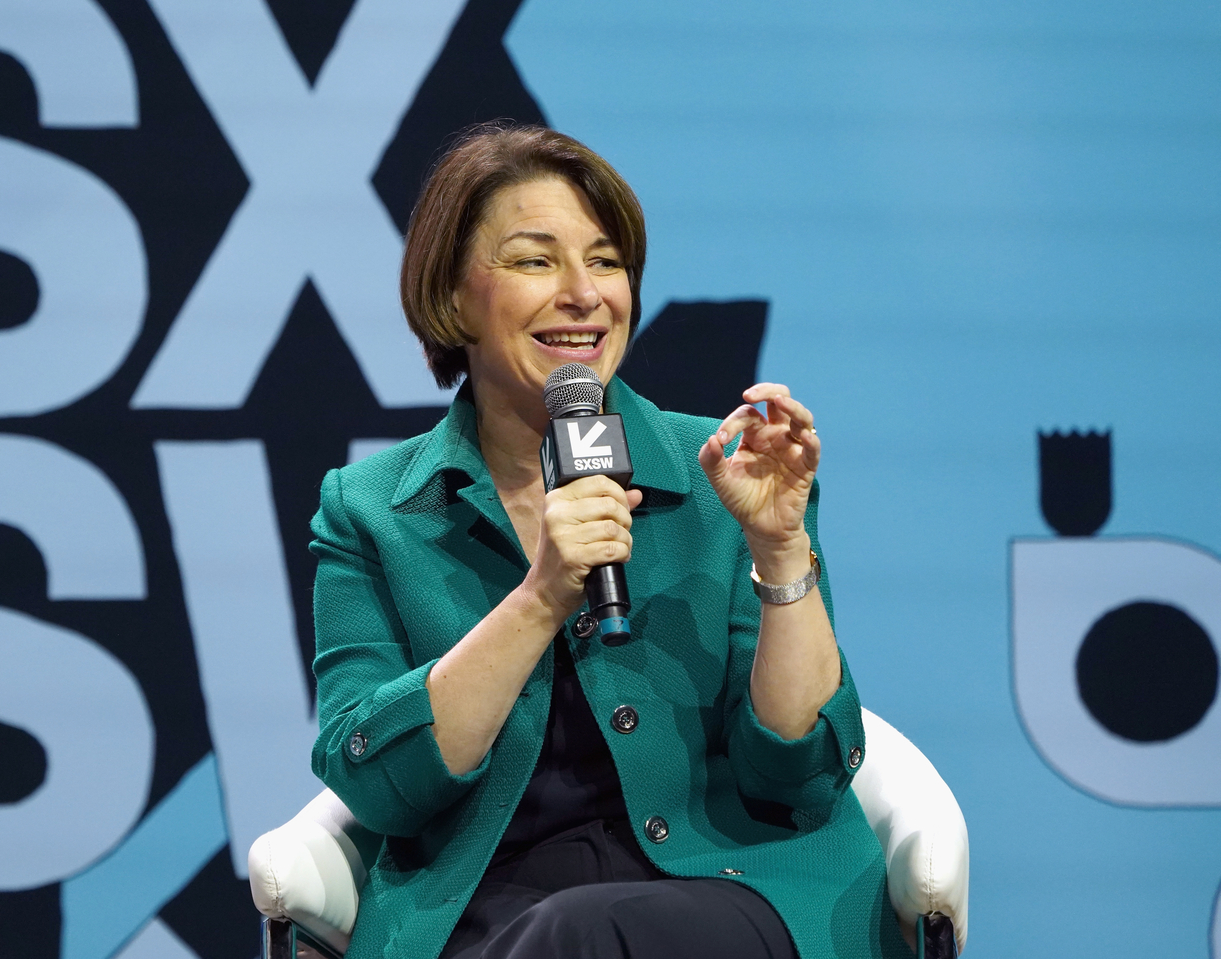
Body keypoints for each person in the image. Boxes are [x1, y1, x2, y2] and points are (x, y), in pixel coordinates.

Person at [309, 124, 909, 959]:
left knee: (579, 933)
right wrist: (539, 598)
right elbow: (373, 781)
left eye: (606, 260)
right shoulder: (372, 510)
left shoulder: (726, 475)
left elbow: (798, 773)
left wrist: (778, 550)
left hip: (729, 889)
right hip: (486, 915)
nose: (584, 293)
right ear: (452, 297)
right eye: (534, 260)